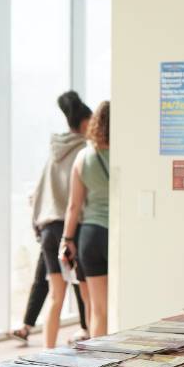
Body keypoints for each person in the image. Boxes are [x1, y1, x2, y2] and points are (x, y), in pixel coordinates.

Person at [13, 91, 93, 347]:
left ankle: (48, 353)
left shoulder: (54, 151)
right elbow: (80, 199)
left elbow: (39, 191)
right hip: (72, 229)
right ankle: (88, 336)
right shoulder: (84, 152)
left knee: (56, 296)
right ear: (84, 124)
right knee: (85, 290)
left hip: (48, 228)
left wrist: (38, 224)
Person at [60, 101, 110, 337]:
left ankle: (98, 366)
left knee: (98, 310)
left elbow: (73, 205)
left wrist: (67, 238)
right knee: (118, 306)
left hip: (89, 235)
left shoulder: (83, 156)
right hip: (114, 234)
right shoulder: (125, 155)